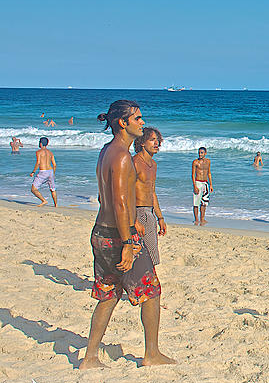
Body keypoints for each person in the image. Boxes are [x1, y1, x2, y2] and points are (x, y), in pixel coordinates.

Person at [80, 100, 174, 369]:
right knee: (151, 291)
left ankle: (90, 357)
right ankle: (152, 354)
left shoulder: (106, 151)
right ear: (123, 123)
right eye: (137, 119)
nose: (142, 123)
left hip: (101, 231)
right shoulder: (122, 156)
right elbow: (122, 203)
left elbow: (104, 197)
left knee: (108, 293)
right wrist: (128, 241)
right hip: (119, 235)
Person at [133, 126, 166, 266]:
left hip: (150, 213)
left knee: (152, 256)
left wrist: (160, 218)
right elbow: (126, 193)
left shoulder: (153, 164)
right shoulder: (134, 162)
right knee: (137, 255)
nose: (156, 143)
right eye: (152, 140)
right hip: (137, 211)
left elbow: (152, 192)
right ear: (142, 142)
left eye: (157, 140)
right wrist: (134, 219)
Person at [29, 137, 57, 207]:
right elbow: (54, 165)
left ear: (40, 143)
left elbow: (38, 163)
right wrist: (53, 173)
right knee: (52, 189)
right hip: (50, 171)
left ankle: (44, 200)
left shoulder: (38, 152)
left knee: (33, 189)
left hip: (43, 172)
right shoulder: (50, 153)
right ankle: (56, 205)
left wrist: (33, 172)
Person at [192, 147, 212, 225]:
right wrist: (195, 186)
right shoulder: (195, 162)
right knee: (196, 203)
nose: (200, 154)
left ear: (205, 153)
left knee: (204, 202)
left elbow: (209, 173)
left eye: (202, 153)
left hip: (205, 183)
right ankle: (196, 219)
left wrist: (211, 185)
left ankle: (202, 218)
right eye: (199, 152)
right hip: (198, 182)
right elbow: (193, 175)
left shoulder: (208, 162)